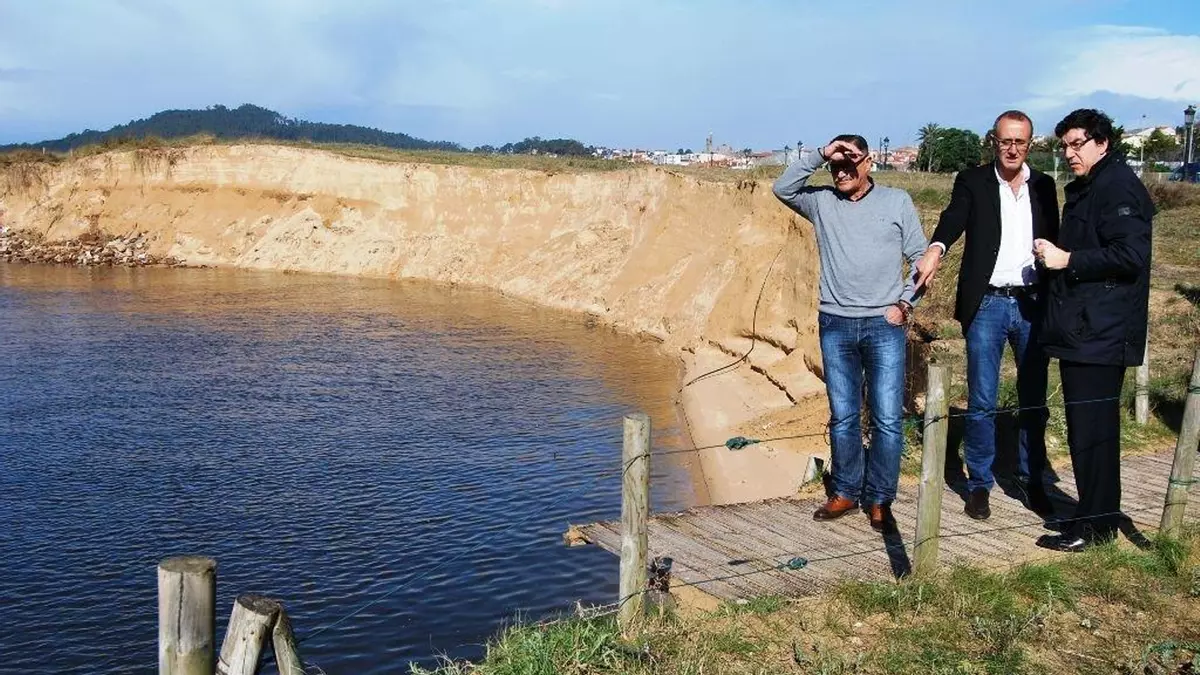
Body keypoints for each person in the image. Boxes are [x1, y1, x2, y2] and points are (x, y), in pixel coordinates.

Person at [773, 135, 928, 532]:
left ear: (868, 162)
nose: (841, 172)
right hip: (835, 324)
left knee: (887, 418)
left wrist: (905, 303)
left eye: (850, 163)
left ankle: (880, 499)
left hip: (884, 325)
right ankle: (844, 491)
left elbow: (921, 256)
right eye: (835, 166)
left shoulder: (896, 202)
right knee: (843, 416)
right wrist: (822, 153)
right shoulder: (821, 202)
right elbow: (783, 187)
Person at [915, 110, 1059, 520]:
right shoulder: (973, 181)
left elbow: (1055, 236)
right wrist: (936, 248)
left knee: (1034, 399)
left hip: (1032, 303)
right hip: (988, 304)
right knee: (981, 400)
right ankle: (979, 484)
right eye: (1005, 141)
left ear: (1030, 144)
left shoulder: (1044, 185)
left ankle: (1032, 480)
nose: (1012, 149)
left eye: (1020, 142)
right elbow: (953, 218)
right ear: (993, 142)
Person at [1032, 108, 1154, 552]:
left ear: (1102, 143)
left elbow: (1131, 255)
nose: (1069, 153)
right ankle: (1091, 518)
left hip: (1101, 332)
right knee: (1088, 432)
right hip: (1086, 329)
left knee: (1094, 433)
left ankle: (1096, 529)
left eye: (1077, 144)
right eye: (1064, 146)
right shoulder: (1094, 185)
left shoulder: (1116, 185)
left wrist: (1067, 260)